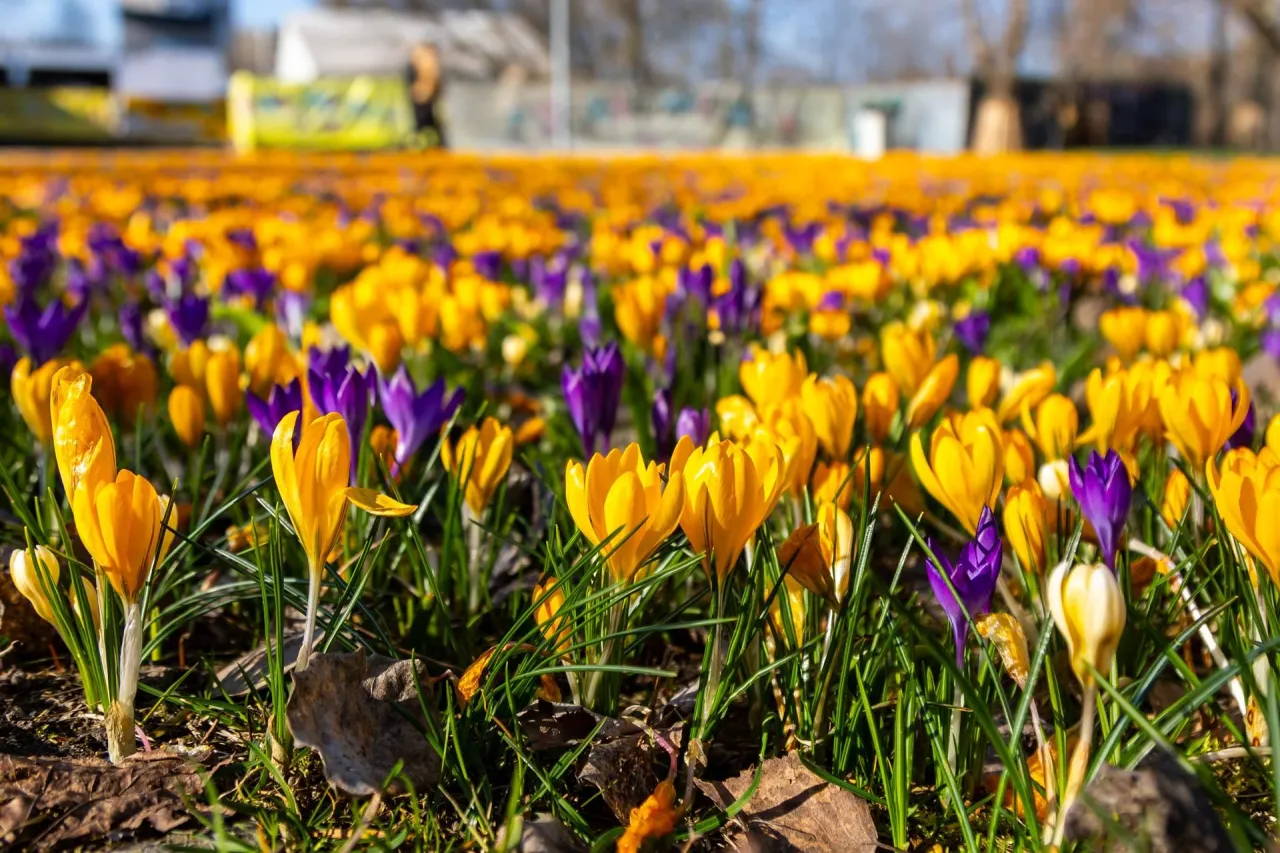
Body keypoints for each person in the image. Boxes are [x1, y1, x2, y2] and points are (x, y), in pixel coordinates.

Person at [406, 42, 447, 148]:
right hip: (423, 96)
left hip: (427, 97)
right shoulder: (423, 62)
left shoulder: (429, 63)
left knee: (428, 126)